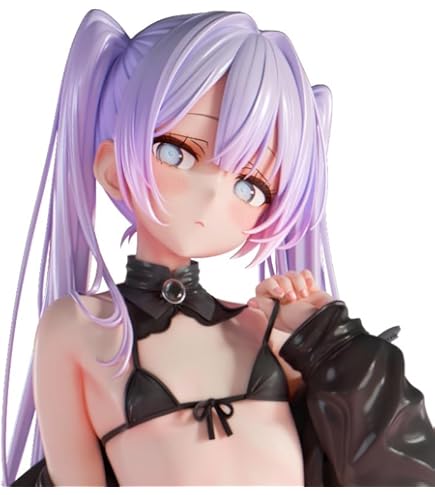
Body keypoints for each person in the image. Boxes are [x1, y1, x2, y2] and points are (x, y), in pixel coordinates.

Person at [2, 9, 435, 486]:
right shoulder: (76, 327)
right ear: (112, 170)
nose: (211, 194)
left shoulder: (261, 326)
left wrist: (325, 339)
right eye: (176, 152)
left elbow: (379, 460)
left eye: (250, 186)